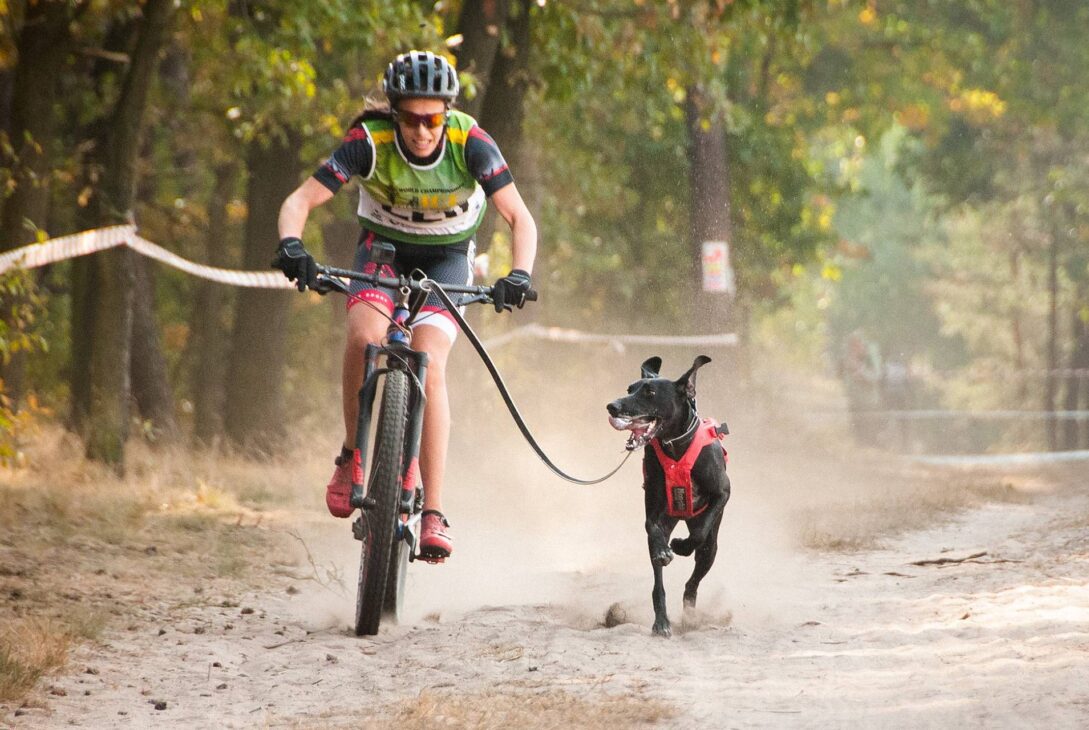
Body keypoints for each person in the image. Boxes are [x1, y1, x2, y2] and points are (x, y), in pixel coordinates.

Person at [272, 50, 538, 560]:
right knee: (362, 338)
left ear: (447, 113)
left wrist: (520, 274)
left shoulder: (470, 142)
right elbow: (299, 200)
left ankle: (433, 510)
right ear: (393, 114)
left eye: (432, 119)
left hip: (448, 258)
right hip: (382, 251)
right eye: (410, 119)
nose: (421, 131)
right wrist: (292, 246)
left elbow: (519, 217)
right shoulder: (368, 141)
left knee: (430, 363)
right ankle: (351, 454)